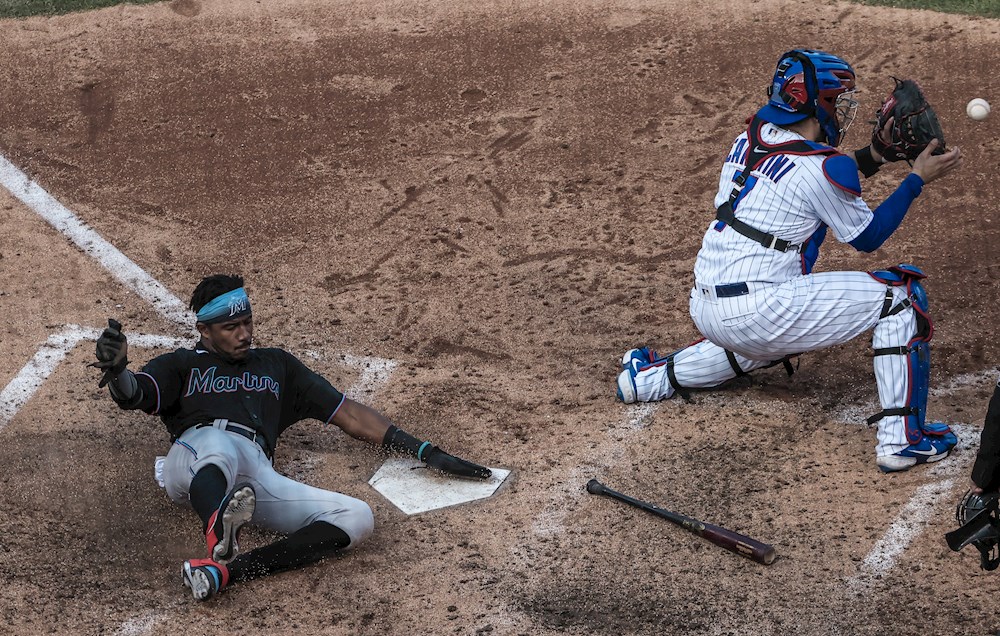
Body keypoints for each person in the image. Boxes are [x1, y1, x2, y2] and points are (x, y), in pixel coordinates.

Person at [615, 49, 963, 473]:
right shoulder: (820, 167)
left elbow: (810, 176)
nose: (843, 108)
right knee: (901, 297)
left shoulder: (751, 138)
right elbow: (868, 237)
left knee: (759, 333)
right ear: (816, 103)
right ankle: (902, 441)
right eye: (838, 100)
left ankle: (646, 379)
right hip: (758, 313)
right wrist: (915, 180)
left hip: (707, 307)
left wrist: (873, 156)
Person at [91, 273, 492, 601]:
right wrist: (119, 372)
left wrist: (422, 449)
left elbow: (347, 413)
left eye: (247, 322)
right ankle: (216, 527)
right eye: (231, 327)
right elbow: (137, 393)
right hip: (193, 462)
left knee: (357, 518)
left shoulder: (277, 365)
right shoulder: (181, 364)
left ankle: (226, 571)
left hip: (255, 472)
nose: (244, 333)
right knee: (218, 446)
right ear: (205, 331)